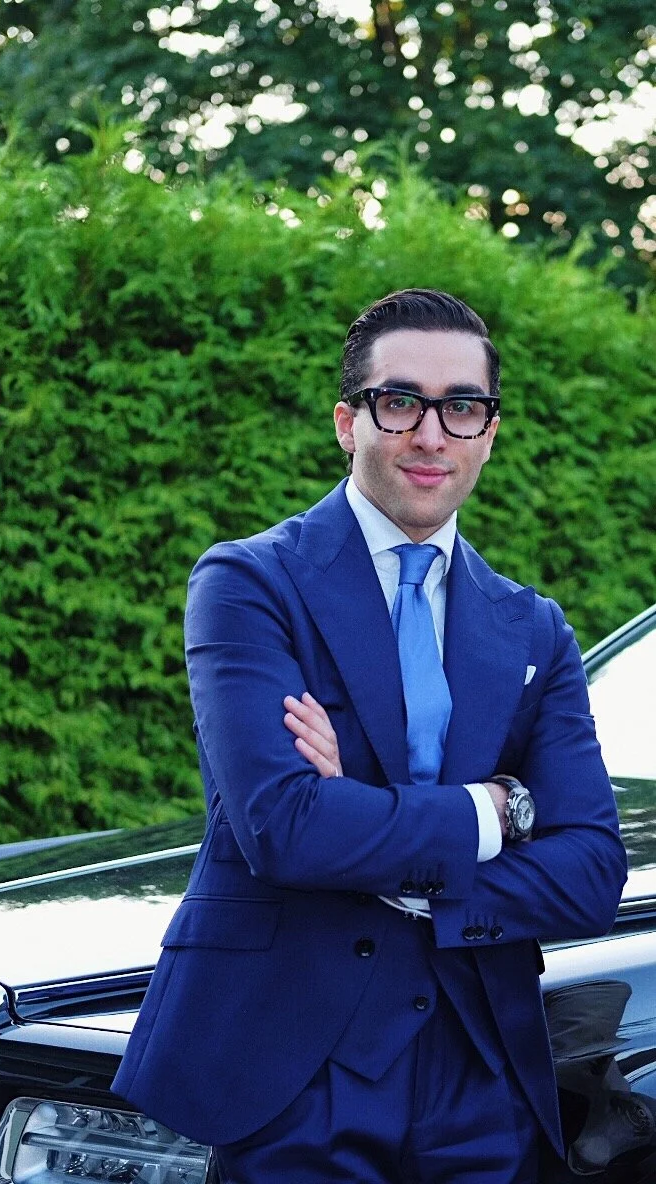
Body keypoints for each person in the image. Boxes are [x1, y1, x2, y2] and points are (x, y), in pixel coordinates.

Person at [111, 289, 627, 1182]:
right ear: (347, 421)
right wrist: (493, 813)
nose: (431, 435)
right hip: (291, 1068)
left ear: (488, 432)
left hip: (482, 1072)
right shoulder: (249, 583)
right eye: (401, 403)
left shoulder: (533, 629)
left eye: (461, 407)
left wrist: (386, 840)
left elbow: (590, 868)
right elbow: (286, 828)